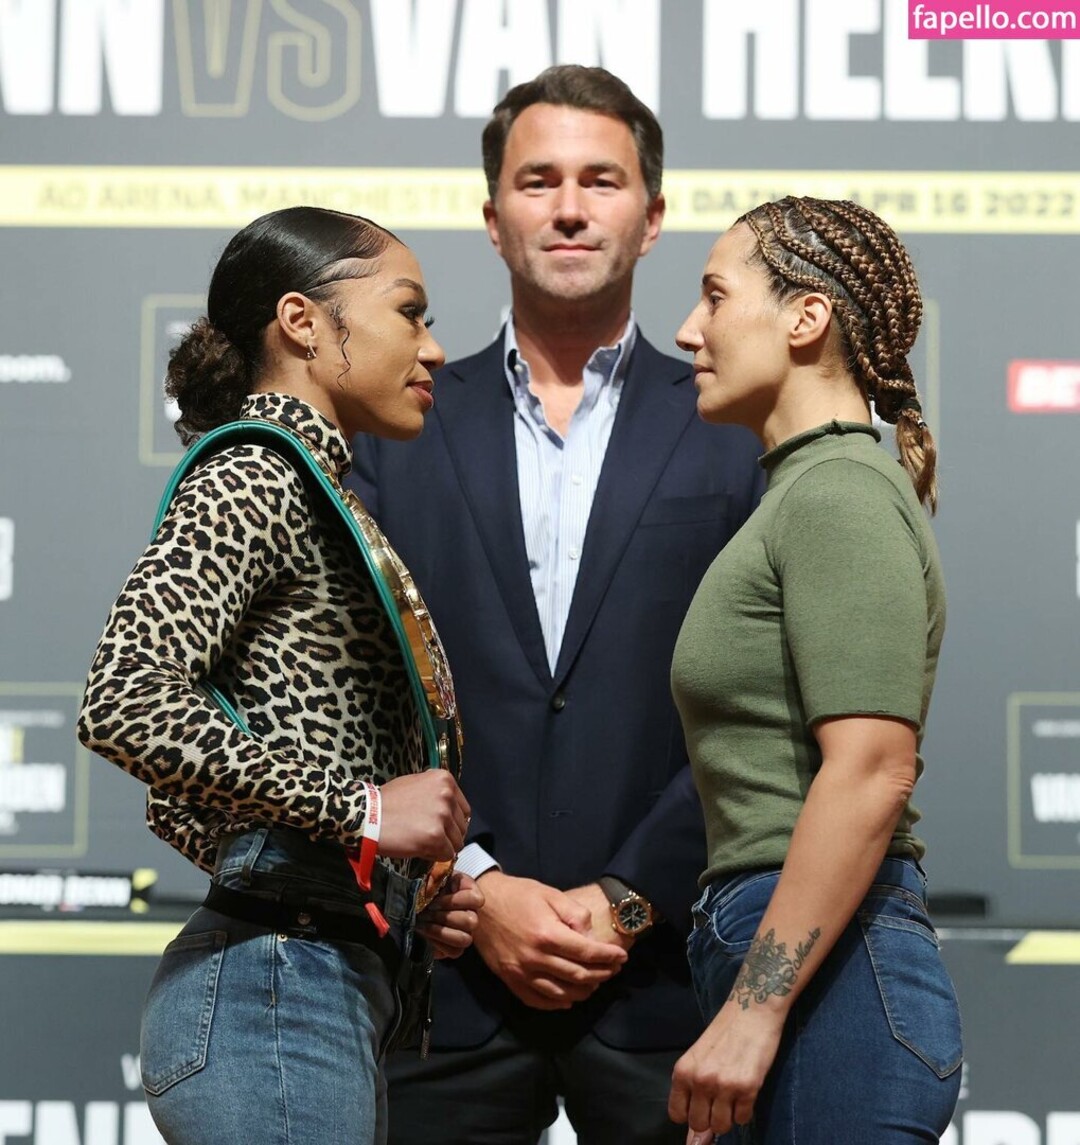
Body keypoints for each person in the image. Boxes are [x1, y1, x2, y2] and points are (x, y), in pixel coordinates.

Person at [347, 66, 763, 1144]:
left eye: (601, 180)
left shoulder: (736, 422)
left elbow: (765, 705)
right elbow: (355, 688)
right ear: (493, 218)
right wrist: (478, 887)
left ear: (652, 216)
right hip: (445, 984)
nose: (570, 208)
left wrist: (626, 897)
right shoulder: (394, 421)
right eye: (538, 181)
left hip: (673, 981)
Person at [76, 205, 483, 1145]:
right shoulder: (258, 473)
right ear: (303, 322)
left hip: (307, 983)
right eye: (409, 312)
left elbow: (205, 796)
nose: (432, 347)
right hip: (274, 991)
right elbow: (125, 697)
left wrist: (397, 887)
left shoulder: (316, 487)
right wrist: (364, 811)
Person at [667, 196, 963, 1144]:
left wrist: (755, 1007)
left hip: (833, 975)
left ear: (806, 318)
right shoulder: (804, 490)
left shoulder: (838, 492)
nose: (689, 330)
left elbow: (872, 768)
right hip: (806, 960)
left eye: (716, 297)